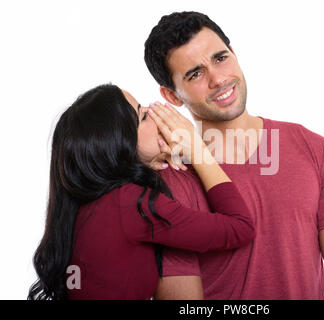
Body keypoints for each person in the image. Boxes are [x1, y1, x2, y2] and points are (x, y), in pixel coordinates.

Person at [144, 11, 324, 299]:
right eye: (195, 74)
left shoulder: (312, 147)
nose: (218, 79)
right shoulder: (171, 179)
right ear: (172, 97)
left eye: (220, 58)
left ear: (234, 53)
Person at [28, 84, 256, 300]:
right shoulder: (131, 204)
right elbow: (240, 227)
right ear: (121, 146)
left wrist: (149, 162)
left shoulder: (88, 207)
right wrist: (198, 152)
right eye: (143, 116)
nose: (156, 113)